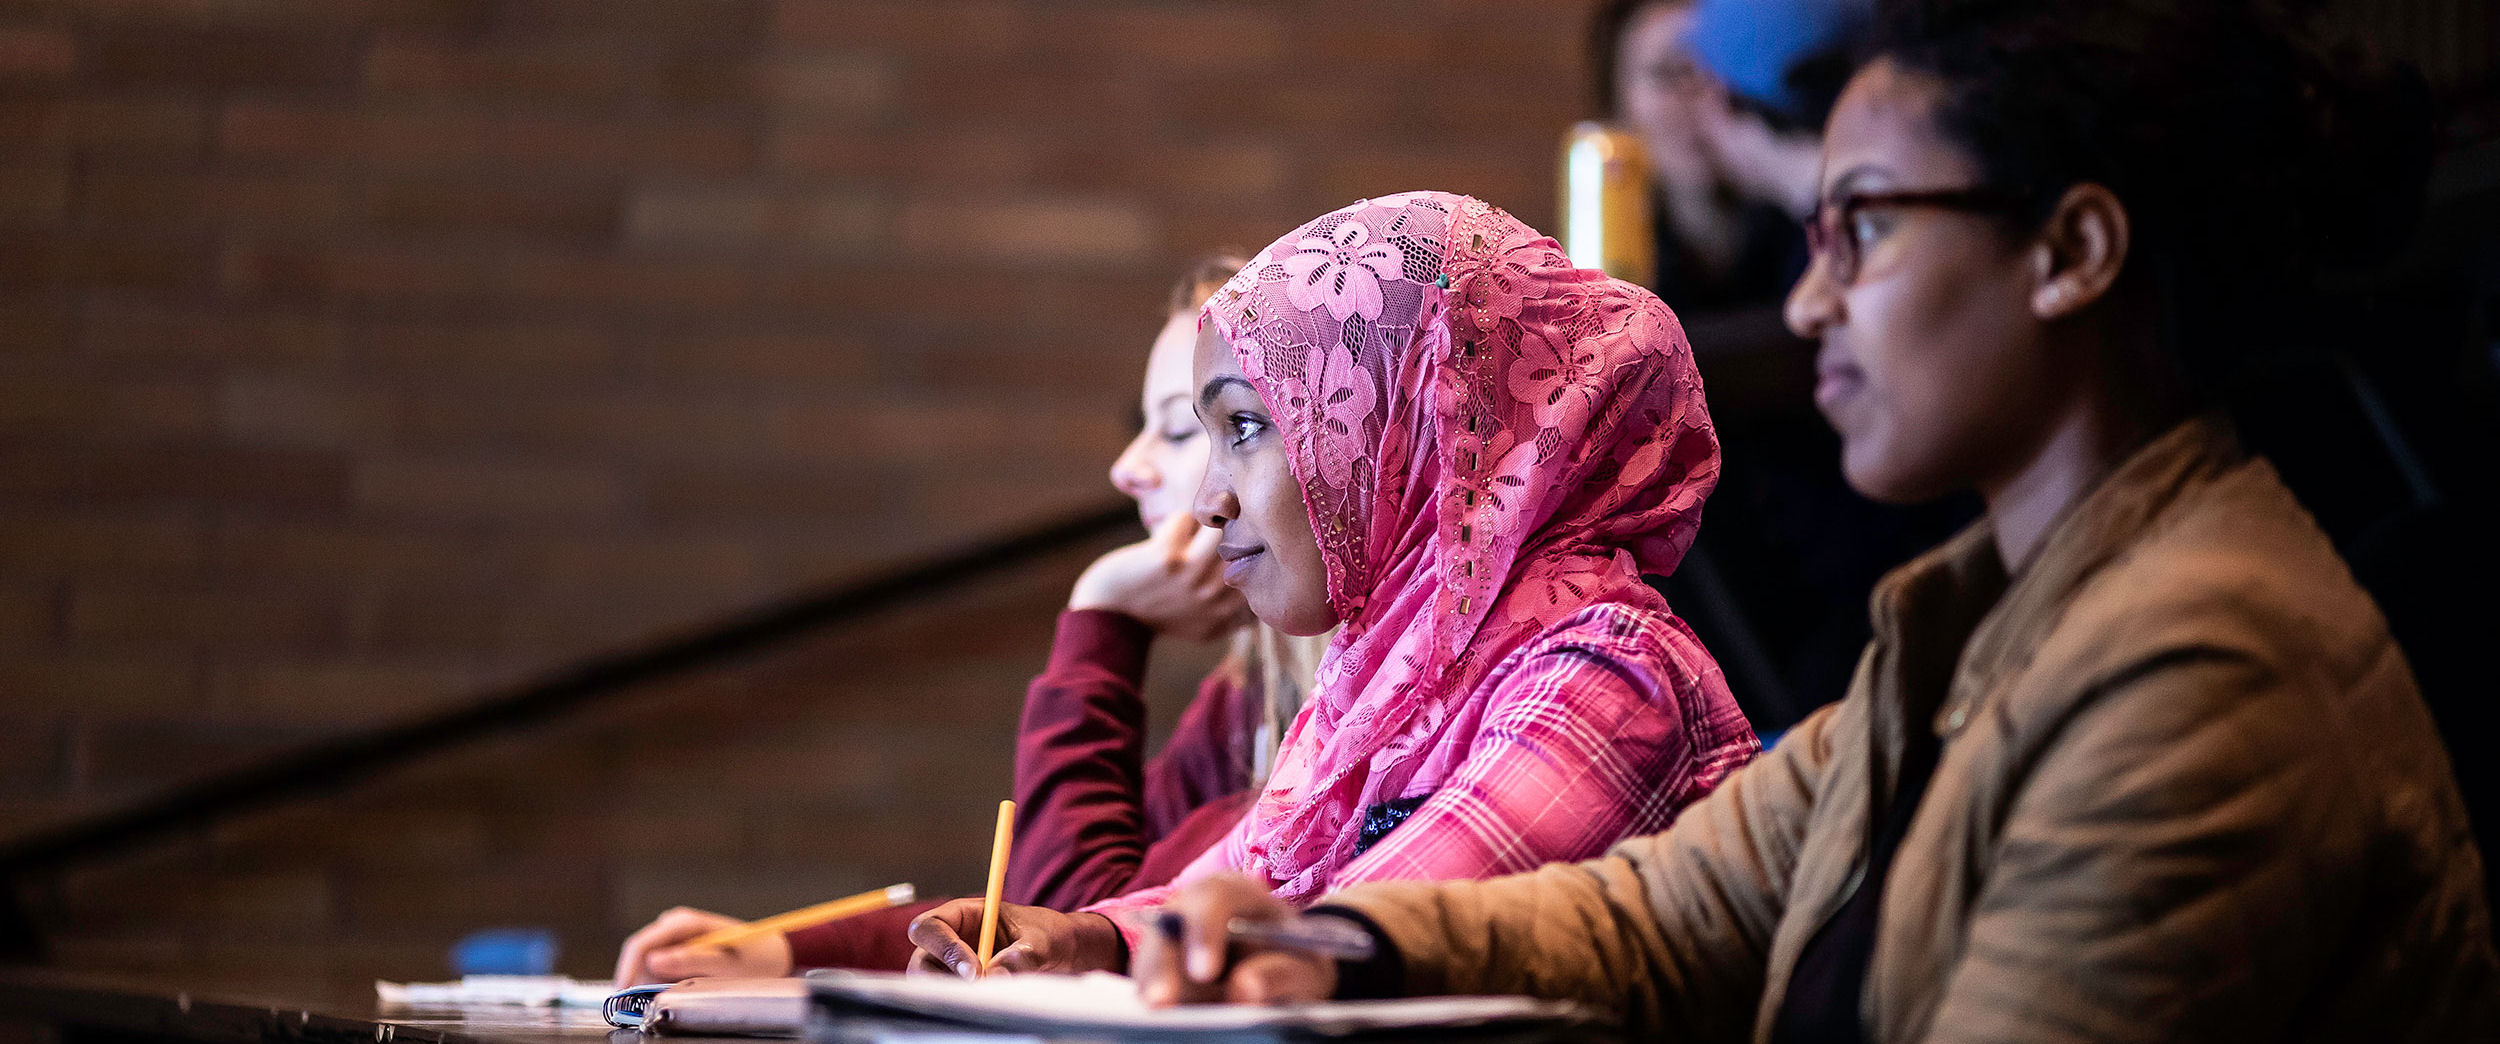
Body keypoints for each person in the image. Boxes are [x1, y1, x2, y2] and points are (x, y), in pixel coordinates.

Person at [1138, 3, 2500, 1039]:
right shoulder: (1984, 618)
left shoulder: (2202, 664)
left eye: (1865, 229)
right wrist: (1328, 943)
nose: (1806, 304)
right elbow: (1664, 908)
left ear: (2073, 254)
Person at [904, 191, 1758, 978]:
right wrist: (1087, 938)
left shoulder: (1608, 678)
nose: (1210, 499)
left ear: (1407, 426)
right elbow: (1240, 884)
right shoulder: (1377, 677)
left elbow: (1348, 941)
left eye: (1245, 426)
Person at [609, 258, 1330, 984]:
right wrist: (783, 949)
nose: (1126, 468)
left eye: (1189, 429)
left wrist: (1103, 620)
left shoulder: (1359, 711)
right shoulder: (1246, 700)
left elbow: (1078, 938)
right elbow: (1050, 925)